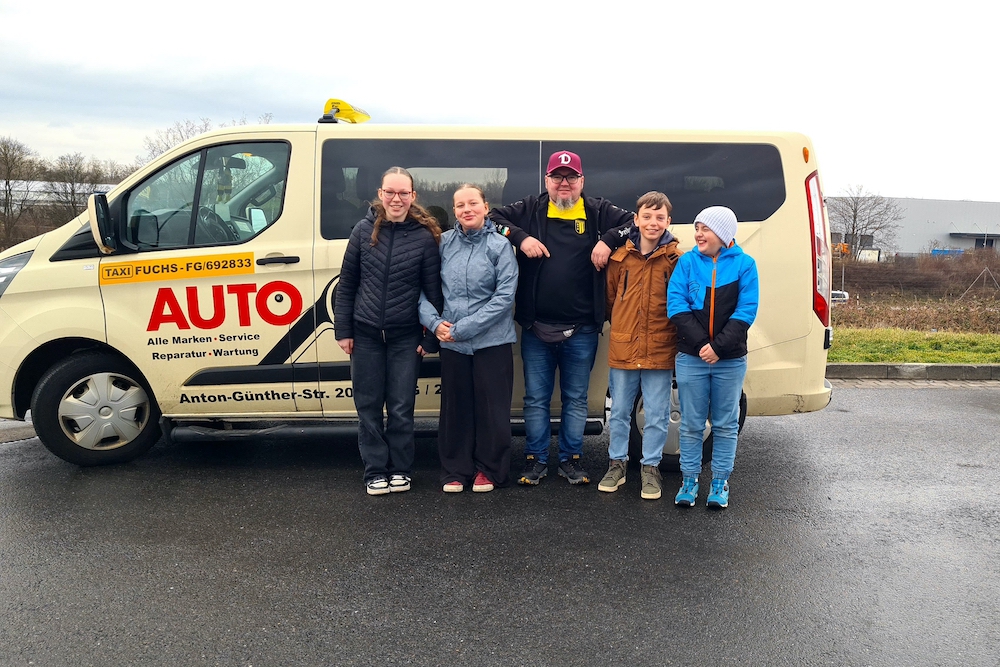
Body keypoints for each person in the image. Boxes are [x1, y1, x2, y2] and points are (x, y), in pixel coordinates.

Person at [490, 150, 634, 486]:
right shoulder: (530, 209)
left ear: (582, 181)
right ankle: (536, 460)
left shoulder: (599, 212)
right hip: (536, 327)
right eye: (557, 177)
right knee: (536, 399)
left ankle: (571, 459)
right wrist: (520, 237)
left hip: (582, 329)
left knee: (575, 399)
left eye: (571, 177)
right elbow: (492, 218)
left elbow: (634, 222)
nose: (564, 183)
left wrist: (609, 240)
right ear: (547, 181)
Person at [334, 166, 443, 496]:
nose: (397, 199)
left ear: (413, 196)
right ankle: (375, 470)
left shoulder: (424, 238)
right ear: (380, 194)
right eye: (390, 192)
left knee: (400, 407)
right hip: (365, 334)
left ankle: (401, 469)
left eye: (403, 193)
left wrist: (429, 337)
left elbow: (433, 292)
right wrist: (344, 330)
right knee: (367, 406)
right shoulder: (362, 231)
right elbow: (347, 284)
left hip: (405, 337)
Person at [419, 185, 518, 493]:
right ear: (455, 211)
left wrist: (461, 329)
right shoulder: (442, 244)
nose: (466, 209)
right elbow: (421, 288)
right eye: (460, 205)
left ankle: (490, 469)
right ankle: (455, 469)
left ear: (486, 207)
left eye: (473, 203)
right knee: (455, 410)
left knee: (493, 410)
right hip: (451, 343)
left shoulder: (500, 246)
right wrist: (434, 324)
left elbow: (504, 297)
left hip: (492, 341)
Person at [667, 206, 758, 509]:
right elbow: (676, 306)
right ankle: (689, 481)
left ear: (724, 234)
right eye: (697, 228)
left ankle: (720, 482)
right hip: (692, 357)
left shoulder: (746, 265)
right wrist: (703, 345)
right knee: (692, 424)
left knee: (725, 424)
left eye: (706, 228)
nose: (698, 234)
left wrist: (718, 347)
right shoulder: (687, 263)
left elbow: (746, 311)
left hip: (729, 359)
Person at [599, 191, 682, 500]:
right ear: (635, 219)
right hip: (623, 346)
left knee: (657, 414)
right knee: (619, 410)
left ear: (668, 221)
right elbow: (609, 301)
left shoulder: (676, 260)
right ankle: (617, 464)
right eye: (646, 216)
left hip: (660, 348)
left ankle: (650, 468)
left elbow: (680, 304)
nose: (652, 222)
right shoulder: (620, 259)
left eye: (660, 217)